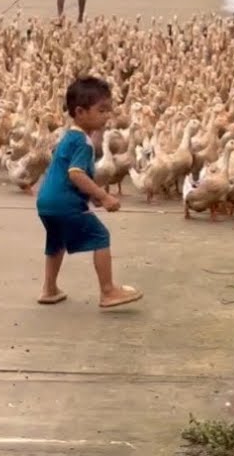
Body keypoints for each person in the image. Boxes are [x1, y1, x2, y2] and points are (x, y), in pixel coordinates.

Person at [34, 76, 142, 309]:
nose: (107, 116)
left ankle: (49, 289)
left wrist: (91, 194)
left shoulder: (68, 137)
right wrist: (103, 196)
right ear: (80, 112)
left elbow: (69, 173)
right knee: (100, 236)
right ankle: (108, 291)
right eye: (102, 110)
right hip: (65, 204)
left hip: (46, 202)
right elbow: (76, 174)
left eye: (109, 110)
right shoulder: (83, 142)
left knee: (56, 242)